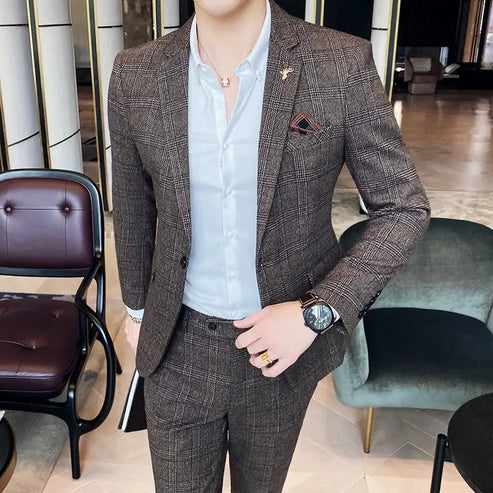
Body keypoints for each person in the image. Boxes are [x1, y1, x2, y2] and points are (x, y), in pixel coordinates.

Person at [108, 1, 430, 491]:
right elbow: (133, 208)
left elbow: (403, 209)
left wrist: (315, 313)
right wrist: (135, 312)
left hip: (279, 354)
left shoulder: (338, 63)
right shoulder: (136, 74)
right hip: (177, 347)